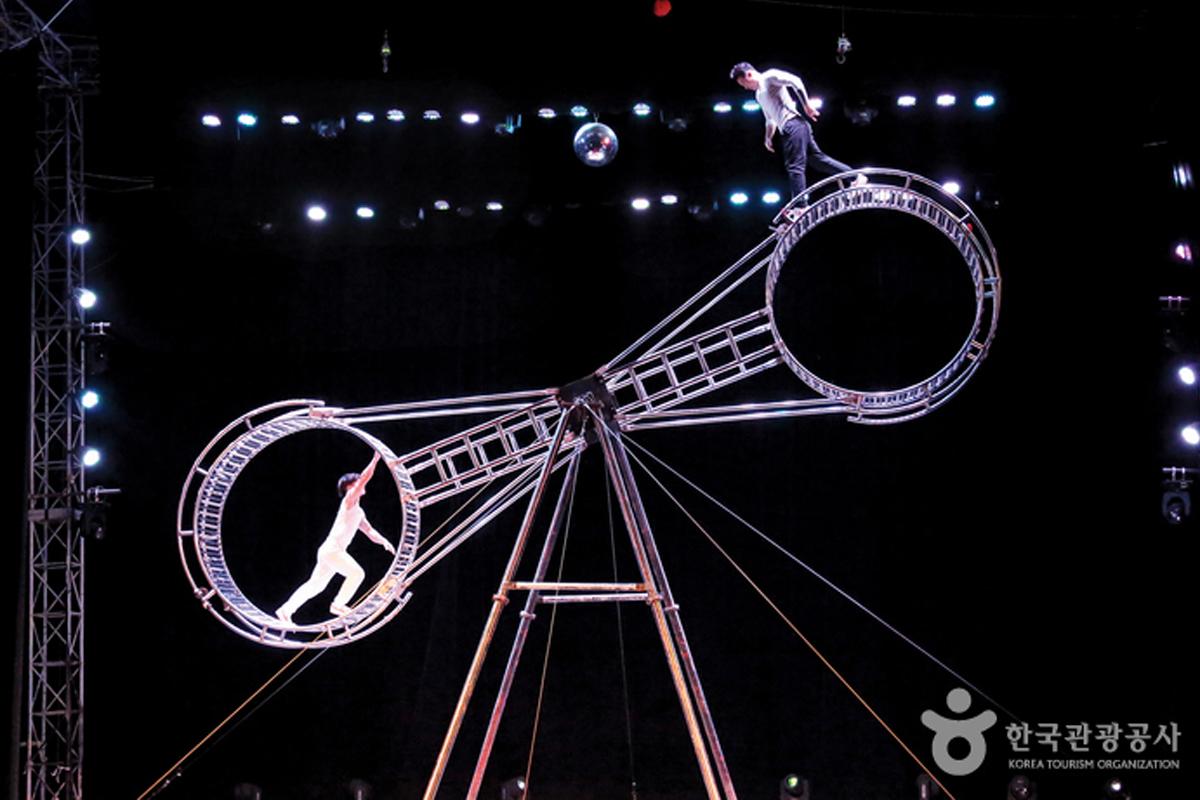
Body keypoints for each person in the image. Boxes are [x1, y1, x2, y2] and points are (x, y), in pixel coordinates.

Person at [275, 452, 396, 625]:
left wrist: (384, 541)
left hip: (331, 551)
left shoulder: (358, 511)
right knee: (356, 573)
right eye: (357, 483)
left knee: (316, 585)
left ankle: (285, 610)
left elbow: (370, 531)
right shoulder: (349, 501)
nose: (361, 485)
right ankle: (338, 605)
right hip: (333, 550)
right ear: (350, 486)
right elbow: (365, 478)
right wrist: (376, 459)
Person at [730, 61, 867, 204]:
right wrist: (768, 137)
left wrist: (806, 105)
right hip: (793, 127)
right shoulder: (759, 95)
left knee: (794, 166)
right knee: (817, 160)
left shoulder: (769, 77)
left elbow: (795, 81)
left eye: (743, 83)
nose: (745, 87)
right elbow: (770, 118)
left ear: (749, 74)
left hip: (793, 124)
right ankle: (856, 177)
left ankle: (800, 205)